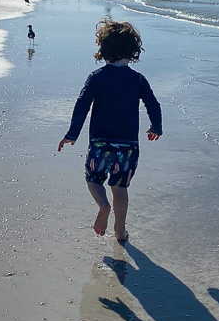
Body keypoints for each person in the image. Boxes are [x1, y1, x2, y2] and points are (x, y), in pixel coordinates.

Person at [58, 19, 162, 243]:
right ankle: (120, 232)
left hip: (100, 144)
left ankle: (103, 206)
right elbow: (153, 104)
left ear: (103, 50)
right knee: (120, 188)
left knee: (94, 179)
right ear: (133, 51)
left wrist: (72, 134)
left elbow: (82, 105)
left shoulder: (96, 78)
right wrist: (156, 127)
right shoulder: (138, 80)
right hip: (128, 147)